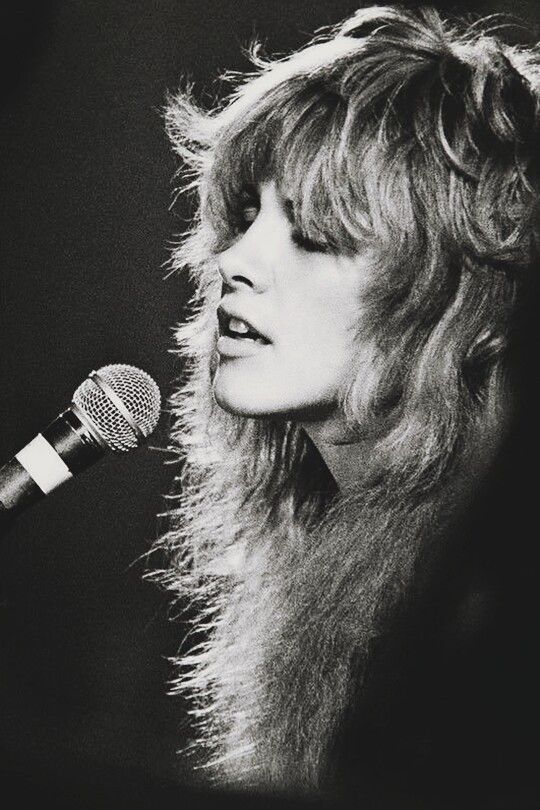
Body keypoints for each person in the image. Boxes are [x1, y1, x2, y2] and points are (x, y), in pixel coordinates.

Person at [157, 5, 540, 806]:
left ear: (450, 297)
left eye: (317, 233)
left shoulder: (487, 613)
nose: (234, 259)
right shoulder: (331, 552)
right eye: (244, 214)